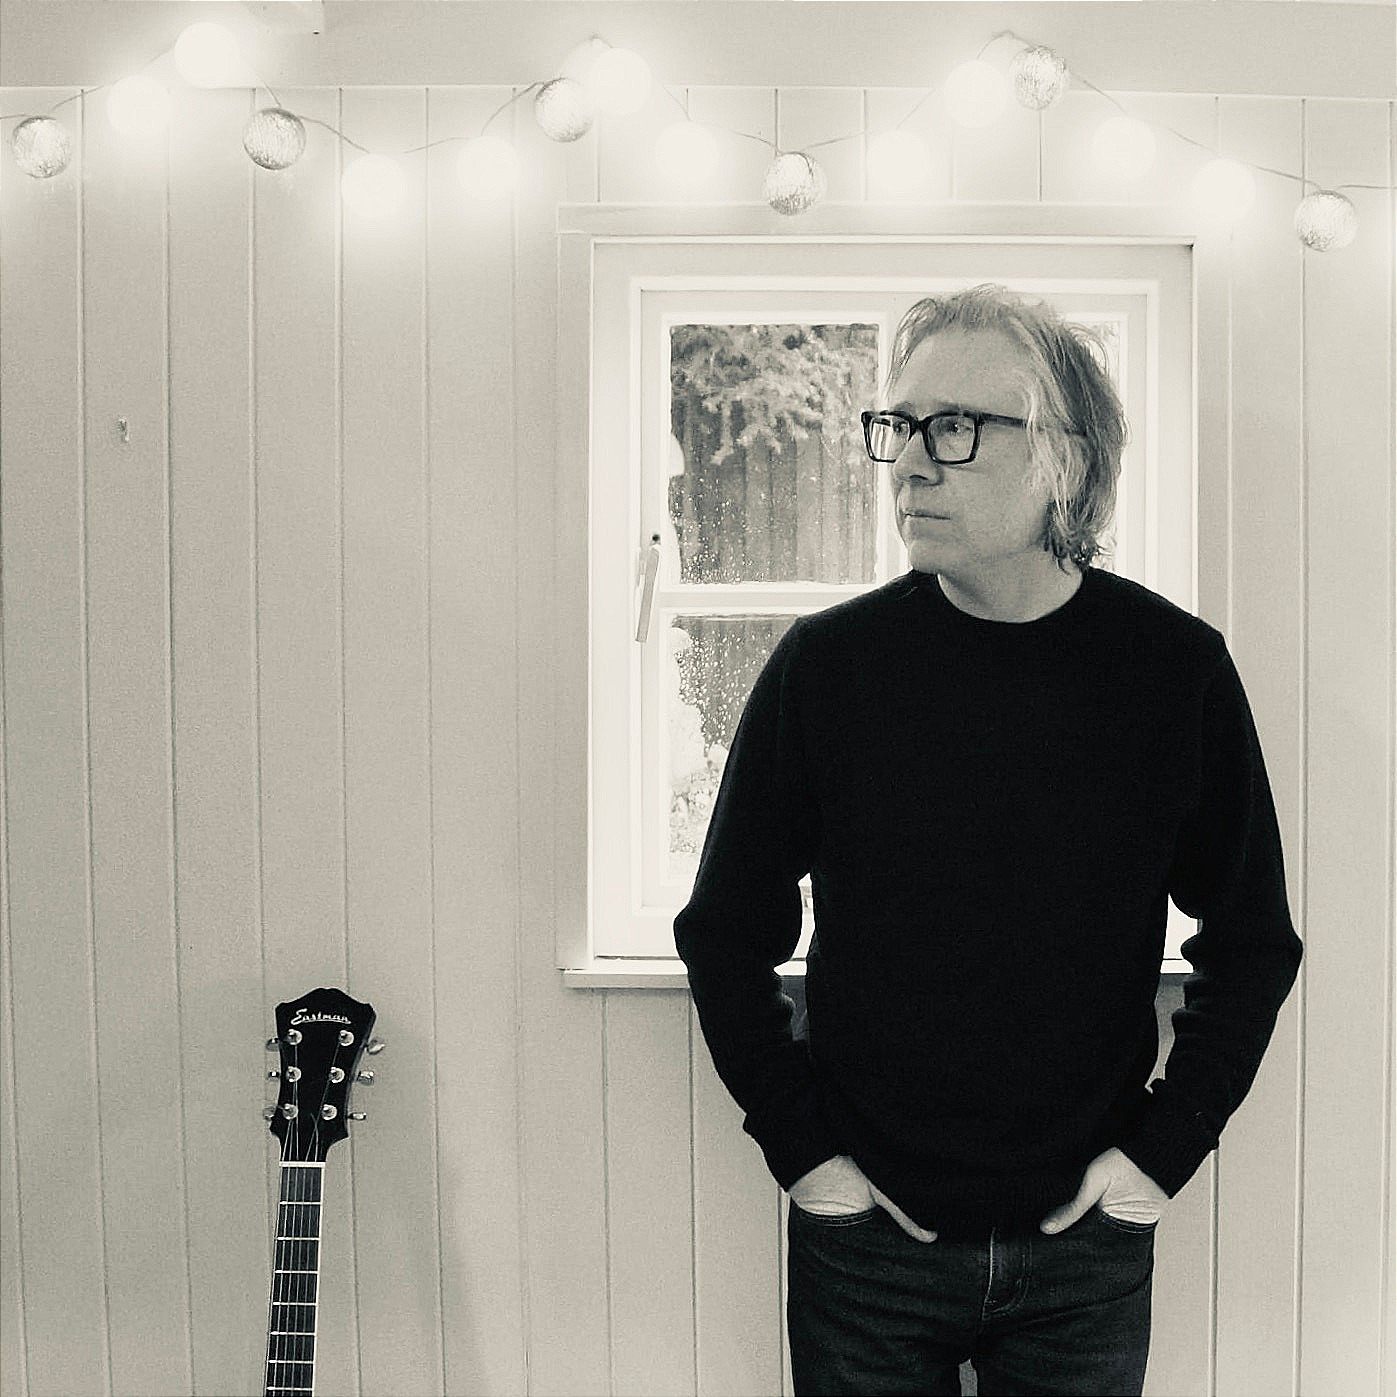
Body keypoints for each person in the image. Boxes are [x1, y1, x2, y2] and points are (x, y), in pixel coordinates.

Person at [672, 283, 1304, 1395]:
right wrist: (806, 1157)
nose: (909, 461)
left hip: (1083, 1252)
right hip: (864, 1242)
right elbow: (724, 930)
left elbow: (1249, 938)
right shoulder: (826, 672)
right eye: (897, 425)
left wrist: (1157, 1159)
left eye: (952, 427)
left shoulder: (1172, 674)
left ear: (1061, 453)